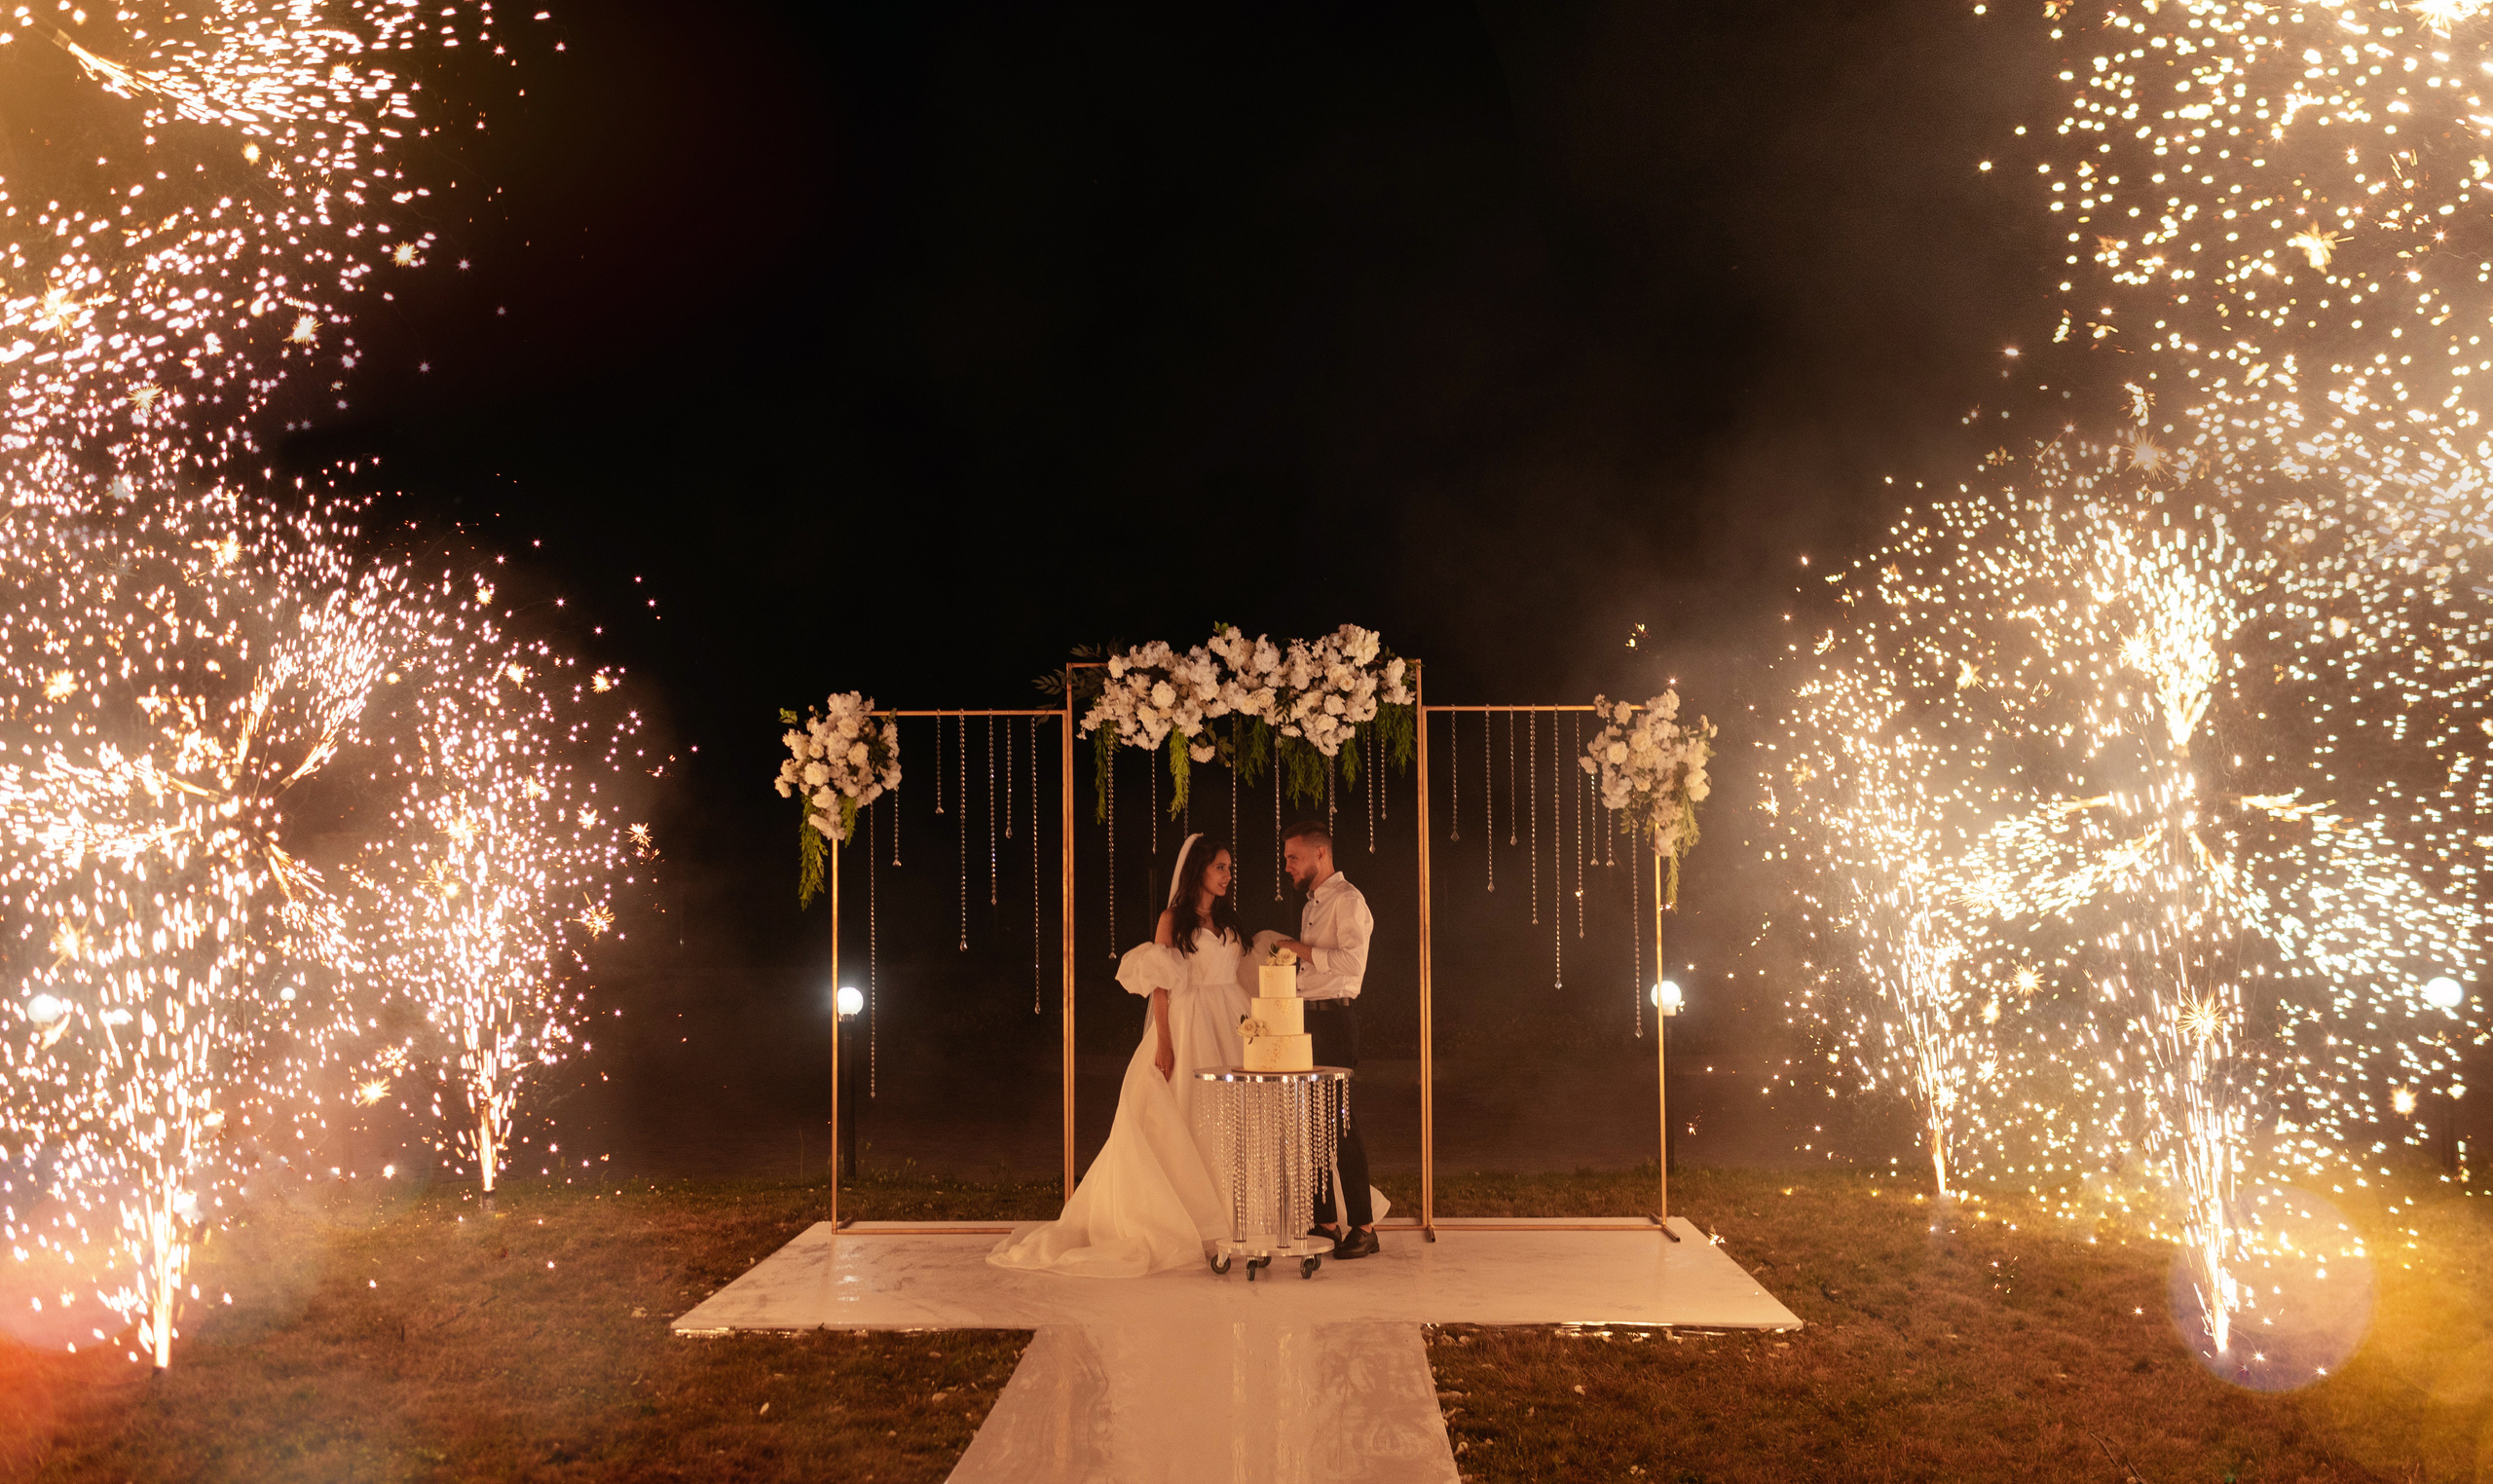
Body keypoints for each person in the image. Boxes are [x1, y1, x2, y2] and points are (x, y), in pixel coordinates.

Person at [988, 834, 1247, 1277]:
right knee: (1185, 1112)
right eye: (1220, 867)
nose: (1227, 875)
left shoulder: (1229, 920)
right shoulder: (1173, 920)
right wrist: (1164, 1039)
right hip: (1189, 1023)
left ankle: (1234, 1216)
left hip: (1230, 1020)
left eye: (1228, 867)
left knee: (1229, 1116)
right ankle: (1192, 1220)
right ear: (1199, 870)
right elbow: (1161, 984)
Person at [1272, 819, 1381, 1260]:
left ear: (1321, 853)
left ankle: (1365, 1226)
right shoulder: (1313, 902)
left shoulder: (1350, 901)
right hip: (1307, 1021)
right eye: (1285, 859)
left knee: (1340, 1125)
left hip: (1336, 1022)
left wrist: (1296, 949)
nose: (1287, 867)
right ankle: (1326, 1222)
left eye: (1293, 858)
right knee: (1312, 1128)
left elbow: (1351, 966)